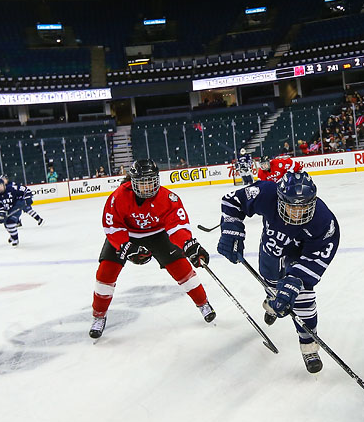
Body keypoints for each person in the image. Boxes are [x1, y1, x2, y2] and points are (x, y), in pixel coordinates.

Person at [217, 172, 340, 374]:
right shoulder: (266, 193)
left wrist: (297, 280)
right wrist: (231, 229)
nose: (297, 214)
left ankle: (309, 345)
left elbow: (318, 257)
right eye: (291, 206)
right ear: (280, 198)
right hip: (271, 250)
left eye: (304, 207)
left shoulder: (324, 221)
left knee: (302, 298)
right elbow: (233, 201)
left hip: (300, 256)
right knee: (272, 285)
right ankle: (272, 303)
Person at [89, 159, 215, 339]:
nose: (148, 187)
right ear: (132, 182)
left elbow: (177, 226)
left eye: (151, 181)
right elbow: (113, 227)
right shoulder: (119, 197)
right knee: (105, 273)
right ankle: (98, 316)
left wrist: (189, 245)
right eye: (142, 182)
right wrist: (126, 247)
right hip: (127, 235)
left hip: (158, 235)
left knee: (183, 269)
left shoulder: (168, 198)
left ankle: (203, 304)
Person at [0, 177, 44, 247]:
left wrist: (28, 198)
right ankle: (13, 235)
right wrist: (1, 215)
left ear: (4, 185)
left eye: (0, 186)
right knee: (6, 224)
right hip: (8, 210)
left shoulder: (12, 188)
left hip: (17, 206)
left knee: (10, 222)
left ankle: (15, 239)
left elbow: (25, 190)